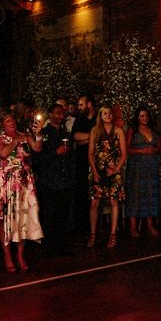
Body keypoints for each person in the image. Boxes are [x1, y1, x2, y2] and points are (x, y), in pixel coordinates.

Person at [0, 109, 43, 272]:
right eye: (7, 121)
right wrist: (15, 141)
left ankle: (20, 254)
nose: (12, 123)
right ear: (1, 124)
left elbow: (37, 148)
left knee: (22, 218)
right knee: (6, 218)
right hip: (7, 181)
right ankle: (7, 255)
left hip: (24, 180)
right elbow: (3, 153)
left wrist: (37, 134)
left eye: (12, 120)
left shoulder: (24, 135)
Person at [34, 103, 75, 257]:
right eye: (57, 113)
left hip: (65, 180)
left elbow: (71, 157)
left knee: (62, 214)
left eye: (62, 113)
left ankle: (61, 245)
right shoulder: (43, 134)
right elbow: (38, 159)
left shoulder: (66, 134)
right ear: (50, 115)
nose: (60, 116)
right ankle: (50, 247)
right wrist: (56, 152)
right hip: (50, 180)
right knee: (50, 214)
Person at [86, 105, 127, 248]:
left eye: (110, 113)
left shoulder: (118, 131)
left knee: (113, 201)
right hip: (98, 170)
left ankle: (113, 234)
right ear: (100, 116)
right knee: (94, 202)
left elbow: (123, 153)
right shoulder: (95, 131)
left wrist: (116, 169)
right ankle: (92, 234)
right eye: (105, 113)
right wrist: (95, 171)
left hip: (113, 171)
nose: (108, 115)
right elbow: (90, 153)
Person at [124, 106, 161, 238]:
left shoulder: (153, 130)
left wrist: (154, 149)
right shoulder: (132, 131)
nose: (145, 118)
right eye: (142, 116)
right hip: (136, 168)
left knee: (151, 194)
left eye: (146, 115)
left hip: (151, 167)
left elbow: (159, 146)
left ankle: (150, 225)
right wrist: (142, 150)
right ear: (137, 117)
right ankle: (133, 227)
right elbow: (127, 148)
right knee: (135, 195)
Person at [70, 94, 96, 239]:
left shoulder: (98, 118)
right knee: (81, 194)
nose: (79, 108)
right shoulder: (79, 120)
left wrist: (86, 139)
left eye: (81, 104)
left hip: (96, 162)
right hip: (81, 161)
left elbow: (100, 136)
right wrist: (92, 137)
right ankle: (81, 229)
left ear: (89, 104)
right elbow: (75, 136)